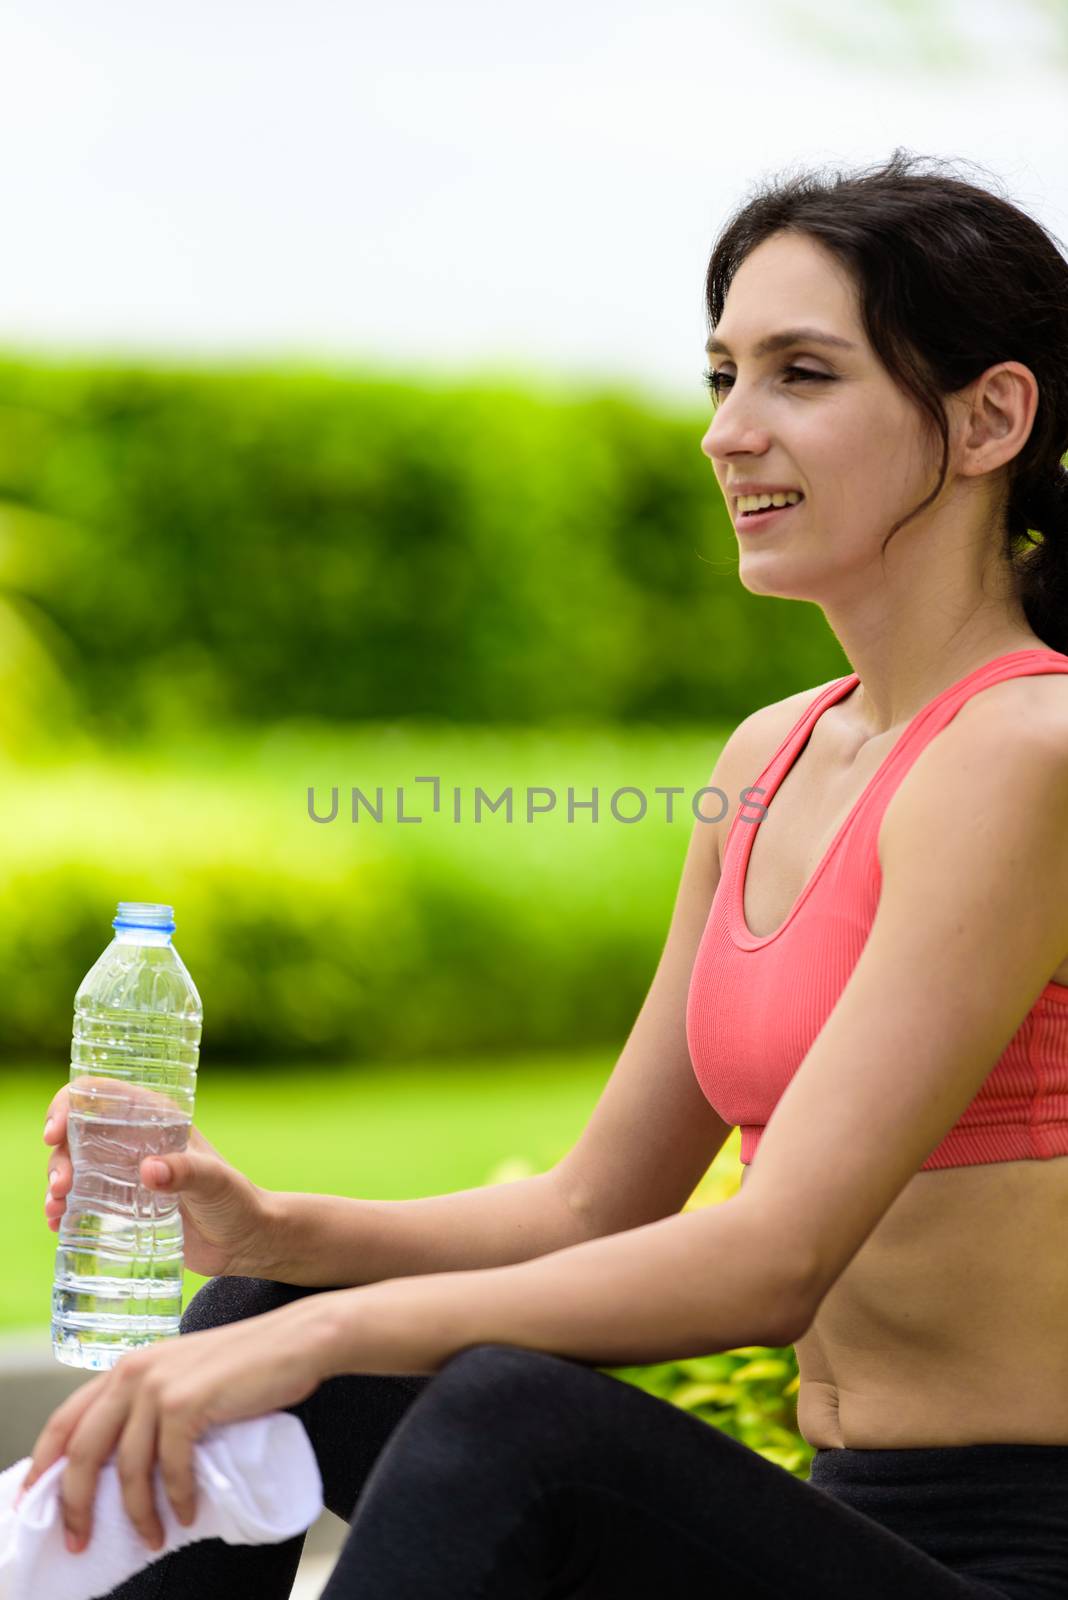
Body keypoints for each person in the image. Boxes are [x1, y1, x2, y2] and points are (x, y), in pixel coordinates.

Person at [23, 147, 1068, 1598]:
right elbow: (593, 1206)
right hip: (832, 1521)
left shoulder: (1030, 749)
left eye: (802, 375)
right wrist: (282, 1241)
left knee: (494, 1414)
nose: (727, 433)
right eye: (721, 376)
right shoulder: (770, 757)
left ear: (988, 417)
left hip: (1014, 1556)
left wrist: (322, 1335)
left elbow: (773, 1261)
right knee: (263, 1298)